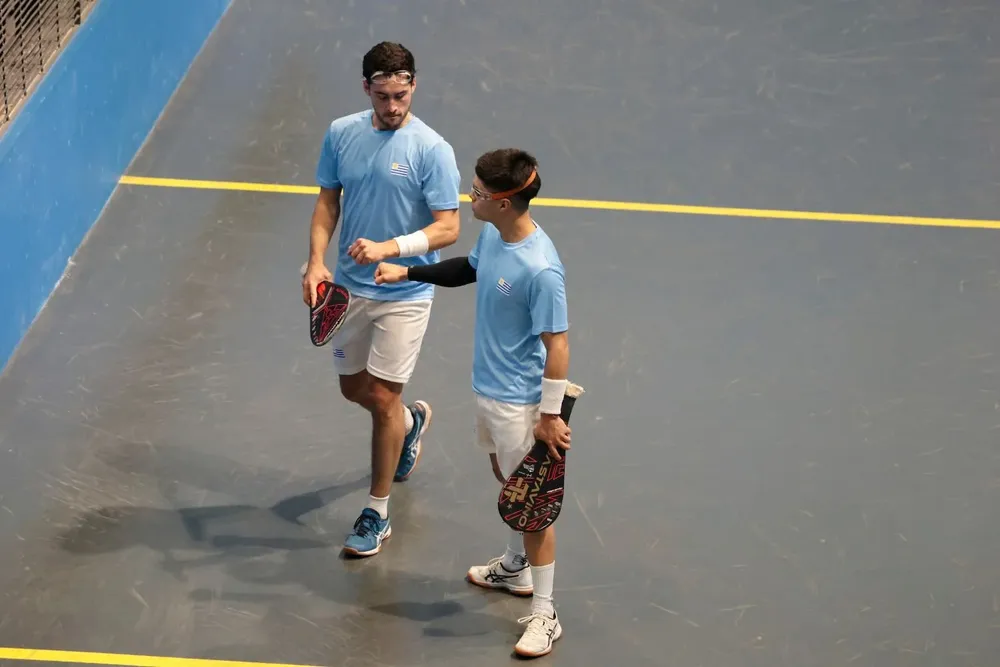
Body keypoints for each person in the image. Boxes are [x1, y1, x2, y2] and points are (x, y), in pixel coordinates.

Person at [375, 148, 570, 658]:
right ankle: (515, 566)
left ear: (505, 201)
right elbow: (471, 269)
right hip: (489, 388)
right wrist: (409, 273)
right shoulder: (496, 234)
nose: (470, 197)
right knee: (507, 483)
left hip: (521, 403)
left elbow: (559, 345)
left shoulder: (541, 268)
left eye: (479, 193)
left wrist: (548, 417)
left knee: (533, 510)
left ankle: (545, 615)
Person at [301, 41, 462, 558]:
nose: (393, 107)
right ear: (365, 87)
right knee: (356, 391)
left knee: (383, 400)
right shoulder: (342, 134)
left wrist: (392, 250)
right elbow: (328, 202)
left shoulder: (432, 149)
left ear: (413, 85)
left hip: (405, 291)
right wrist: (317, 261)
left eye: (401, 94)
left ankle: (377, 511)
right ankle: (412, 425)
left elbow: (448, 229)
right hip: (348, 288)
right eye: (383, 95)